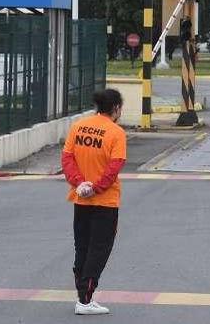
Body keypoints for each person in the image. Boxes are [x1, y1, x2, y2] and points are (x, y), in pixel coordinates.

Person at [61, 89, 127, 315]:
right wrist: (96, 188)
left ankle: (84, 296)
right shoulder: (116, 133)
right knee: (99, 249)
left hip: (80, 198)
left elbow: (67, 159)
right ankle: (85, 300)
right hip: (105, 201)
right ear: (116, 108)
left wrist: (80, 184)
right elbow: (114, 168)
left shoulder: (78, 126)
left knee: (83, 247)